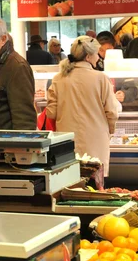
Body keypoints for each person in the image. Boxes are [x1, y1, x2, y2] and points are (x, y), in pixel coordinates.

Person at [46, 36, 119, 177]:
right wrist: (110, 131)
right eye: (96, 53)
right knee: (94, 184)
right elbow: (112, 112)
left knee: (69, 184)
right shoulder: (101, 78)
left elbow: (51, 113)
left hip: (66, 142)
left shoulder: (58, 78)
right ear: (87, 56)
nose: (98, 57)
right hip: (96, 141)